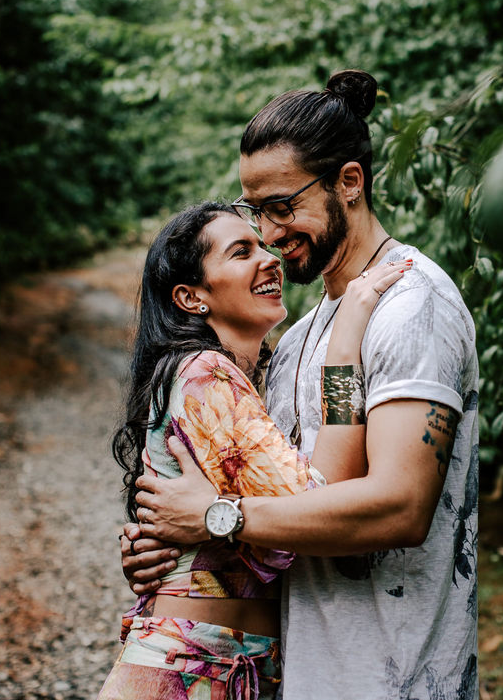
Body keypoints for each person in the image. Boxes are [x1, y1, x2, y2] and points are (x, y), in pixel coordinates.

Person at [121, 70, 480, 700]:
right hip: (302, 675)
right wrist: (174, 553)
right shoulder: (298, 337)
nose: (268, 232)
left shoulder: (413, 305)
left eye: (283, 207)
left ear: (349, 182)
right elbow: (299, 495)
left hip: (395, 680)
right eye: (255, 211)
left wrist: (215, 519)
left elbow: (401, 506)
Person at [97, 200, 410, 700]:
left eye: (262, 245)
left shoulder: (249, 378)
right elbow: (320, 497)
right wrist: (346, 339)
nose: (269, 259)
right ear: (192, 297)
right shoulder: (202, 373)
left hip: (241, 666)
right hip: (188, 667)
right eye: (241, 252)